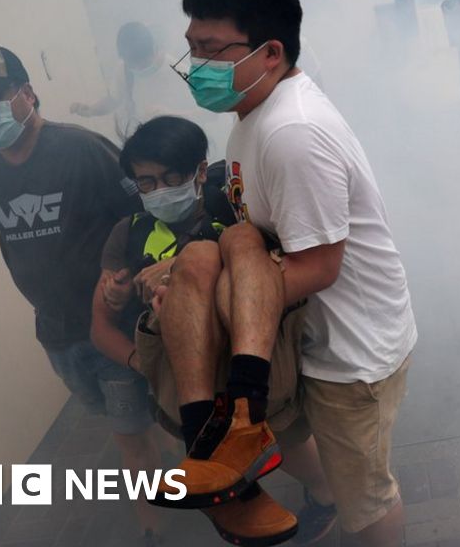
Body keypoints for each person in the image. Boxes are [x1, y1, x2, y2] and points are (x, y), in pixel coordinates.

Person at [149, 0, 419, 545]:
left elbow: (321, 267)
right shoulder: (254, 115)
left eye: (210, 50)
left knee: (366, 502)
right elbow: (263, 235)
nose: (195, 65)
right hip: (301, 338)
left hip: (349, 354)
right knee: (204, 257)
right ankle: (224, 456)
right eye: (191, 48)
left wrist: (214, 304)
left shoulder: (292, 132)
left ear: (270, 53)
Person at [0, 43, 162, 546]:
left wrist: (127, 272)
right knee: (124, 421)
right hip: (55, 333)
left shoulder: (80, 149)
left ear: (26, 93)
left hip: (111, 325)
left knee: (130, 435)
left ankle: (154, 528)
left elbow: (140, 214)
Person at [90, 115, 303, 546]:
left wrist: (182, 261)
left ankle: (242, 431)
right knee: (204, 256)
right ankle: (207, 450)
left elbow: (284, 261)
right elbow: (99, 324)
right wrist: (136, 353)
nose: (158, 191)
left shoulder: (236, 208)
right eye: (145, 183)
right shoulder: (129, 234)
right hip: (184, 373)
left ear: (201, 172)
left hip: (250, 355)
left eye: (170, 178)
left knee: (228, 245)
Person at [69, 22, 224, 148]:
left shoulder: (179, 70)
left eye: (143, 64)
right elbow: (114, 99)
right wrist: (91, 110)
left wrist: (172, 115)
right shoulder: (124, 69)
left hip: (181, 143)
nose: (137, 69)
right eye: (132, 65)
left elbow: (212, 111)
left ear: (155, 49)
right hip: (148, 145)